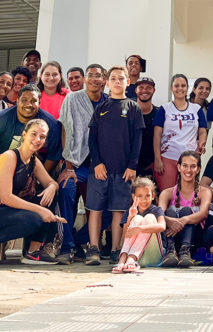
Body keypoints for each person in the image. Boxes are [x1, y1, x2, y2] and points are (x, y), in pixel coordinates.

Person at [86, 65, 145, 266]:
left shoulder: (133, 107)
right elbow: (91, 139)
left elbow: (138, 139)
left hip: (123, 170)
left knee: (118, 210)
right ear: (107, 82)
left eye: (121, 78)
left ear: (127, 82)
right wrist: (97, 163)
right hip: (100, 170)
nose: (117, 82)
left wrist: (132, 165)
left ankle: (115, 248)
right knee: (95, 209)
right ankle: (93, 247)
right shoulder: (100, 108)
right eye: (113, 78)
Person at [56, 64, 108, 264]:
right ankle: (67, 246)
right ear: (85, 79)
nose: (94, 79)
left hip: (99, 166)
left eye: (99, 76)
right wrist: (68, 167)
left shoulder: (109, 102)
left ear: (104, 80)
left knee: (110, 205)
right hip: (76, 163)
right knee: (66, 188)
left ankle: (79, 241)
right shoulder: (73, 98)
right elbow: (66, 130)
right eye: (91, 75)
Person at [0, 119, 66, 264]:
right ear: (24, 135)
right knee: (34, 219)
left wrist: (51, 187)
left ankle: (33, 252)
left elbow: (51, 182)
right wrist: (41, 211)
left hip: (12, 210)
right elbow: (5, 197)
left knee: (50, 194)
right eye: (33, 134)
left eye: (42, 137)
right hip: (3, 208)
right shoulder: (9, 157)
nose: (37, 140)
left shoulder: (33, 161)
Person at [153, 74, 207, 192]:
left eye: (183, 86)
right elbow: (157, 135)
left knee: (188, 194)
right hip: (168, 157)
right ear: (171, 88)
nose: (180, 88)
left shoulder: (196, 109)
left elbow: (202, 130)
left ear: (187, 88)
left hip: (190, 159)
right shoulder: (164, 109)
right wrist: (157, 158)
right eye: (176, 86)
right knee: (167, 194)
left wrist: (202, 142)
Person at [158, 151, 212, 267]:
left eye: (193, 166)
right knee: (170, 211)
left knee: (186, 211)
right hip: (172, 238)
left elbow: (203, 214)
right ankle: (170, 252)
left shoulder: (204, 192)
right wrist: (170, 220)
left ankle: (185, 252)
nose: (188, 170)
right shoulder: (167, 193)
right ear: (178, 167)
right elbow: (159, 214)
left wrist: (184, 220)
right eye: (185, 166)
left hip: (194, 241)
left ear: (198, 169)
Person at [0, 84, 62, 174]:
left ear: (39, 103)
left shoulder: (50, 123)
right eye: (24, 100)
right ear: (17, 101)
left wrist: (37, 182)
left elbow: (54, 155)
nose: (29, 104)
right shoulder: (2, 119)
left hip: (33, 169)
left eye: (33, 101)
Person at [113, 177, 166, 273]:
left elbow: (162, 226)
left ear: (153, 196)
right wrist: (130, 218)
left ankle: (130, 258)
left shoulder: (157, 210)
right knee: (136, 218)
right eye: (140, 196)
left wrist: (140, 229)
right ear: (133, 197)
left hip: (153, 256)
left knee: (149, 217)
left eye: (147, 196)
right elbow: (125, 237)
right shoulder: (129, 211)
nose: (144, 200)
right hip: (137, 259)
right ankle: (124, 258)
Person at [135, 77, 159, 178]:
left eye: (149, 87)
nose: (144, 90)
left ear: (154, 90)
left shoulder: (159, 113)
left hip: (152, 166)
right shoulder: (128, 111)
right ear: (135, 90)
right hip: (130, 166)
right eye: (141, 87)